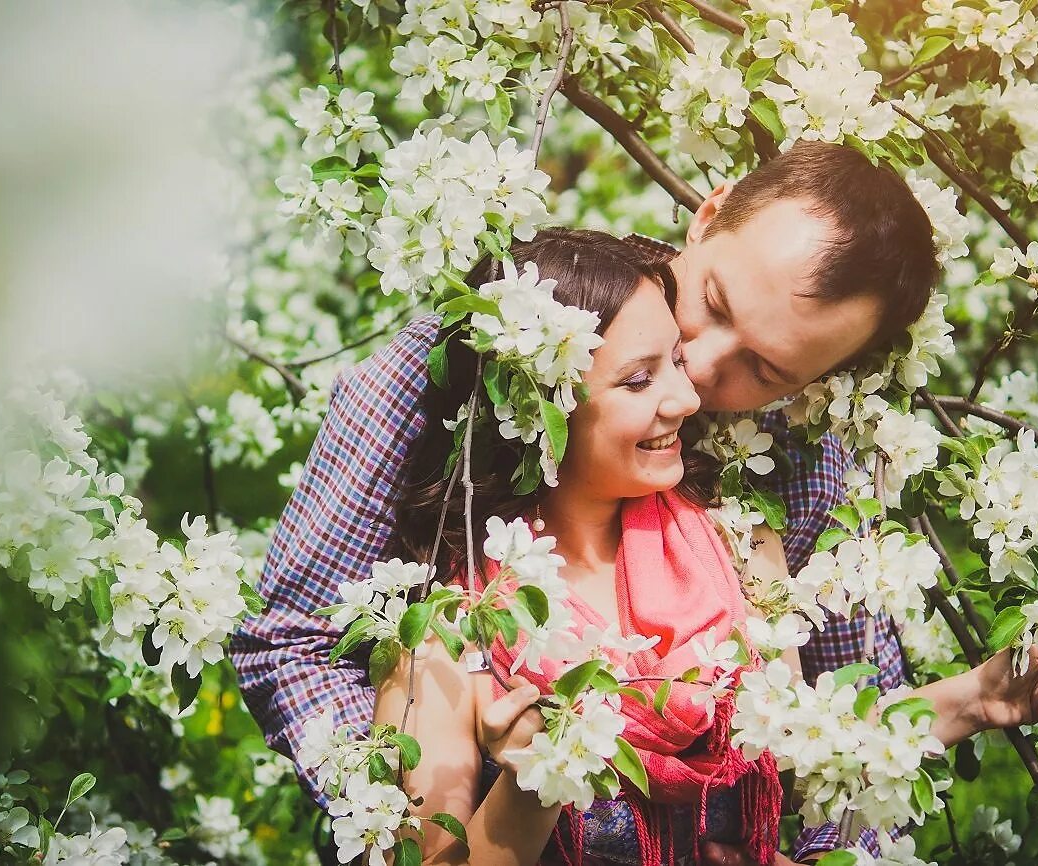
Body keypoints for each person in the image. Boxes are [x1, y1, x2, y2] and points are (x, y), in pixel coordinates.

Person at [232, 142, 942, 863]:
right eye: (713, 304)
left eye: (763, 369)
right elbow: (291, 644)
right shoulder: (464, 366)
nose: (698, 368)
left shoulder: (802, 457)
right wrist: (423, 792)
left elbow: (852, 696)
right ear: (710, 213)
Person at [372, 228, 1038, 866]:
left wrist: (974, 698)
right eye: (637, 379)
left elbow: (796, 739)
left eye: (674, 365)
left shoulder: (740, 547)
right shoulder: (454, 633)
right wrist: (534, 786)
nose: (686, 402)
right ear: (537, 408)